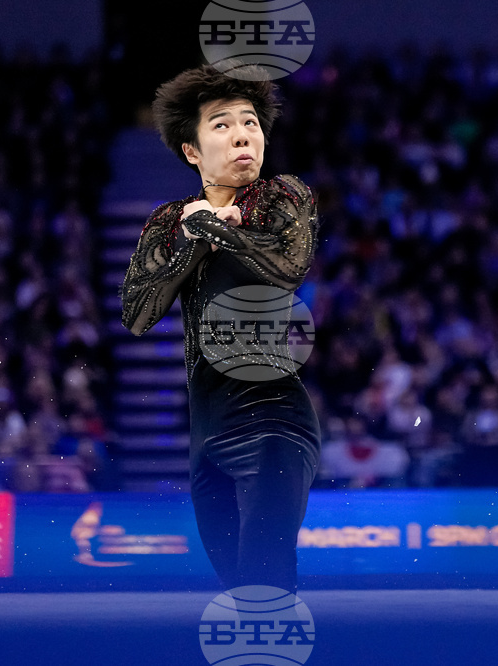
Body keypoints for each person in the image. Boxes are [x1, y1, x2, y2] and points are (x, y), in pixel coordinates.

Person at [121, 63, 320, 592]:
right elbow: (137, 314)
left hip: (275, 420)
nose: (242, 136)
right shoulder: (169, 220)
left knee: (267, 578)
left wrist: (215, 227)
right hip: (205, 432)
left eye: (251, 123)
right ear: (192, 151)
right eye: (222, 124)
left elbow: (287, 266)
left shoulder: (283, 196)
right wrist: (194, 237)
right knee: (239, 590)